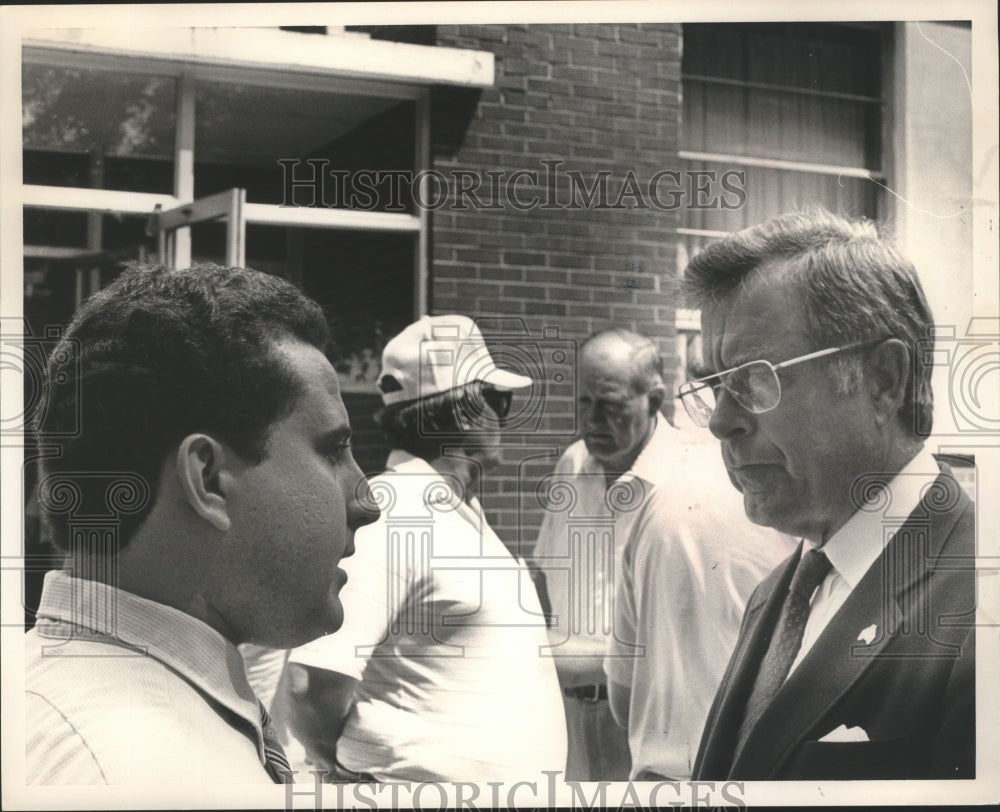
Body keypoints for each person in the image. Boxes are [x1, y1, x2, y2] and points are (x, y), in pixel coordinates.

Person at [25, 263, 379, 785]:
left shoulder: (86, 719)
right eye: (332, 451)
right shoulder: (133, 770)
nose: (367, 501)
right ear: (208, 477)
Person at [682, 209, 976, 780]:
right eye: (715, 385)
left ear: (883, 380)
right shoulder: (779, 592)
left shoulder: (980, 606)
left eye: (753, 378)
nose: (720, 422)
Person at [283, 314, 567, 782]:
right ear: (460, 410)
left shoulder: (453, 510)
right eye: (496, 398)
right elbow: (310, 682)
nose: (503, 414)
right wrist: (342, 767)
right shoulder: (395, 513)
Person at [532, 329, 791, 781]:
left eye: (609, 406)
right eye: (583, 403)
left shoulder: (692, 480)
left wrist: (542, 654)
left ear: (653, 401)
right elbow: (545, 575)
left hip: (646, 723)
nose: (592, 421)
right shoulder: (572, 465)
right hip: (567, 717)